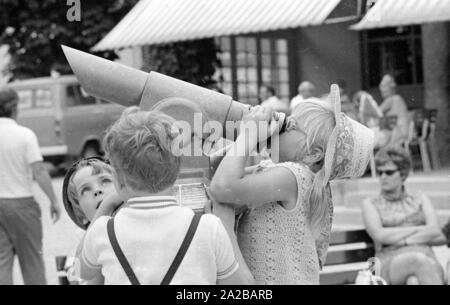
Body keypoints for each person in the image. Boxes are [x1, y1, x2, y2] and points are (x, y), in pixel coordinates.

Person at [210, 85, 374, 284]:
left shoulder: (294, 176)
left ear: (313, 153)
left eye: (290, 125)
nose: (280, 126)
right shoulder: (302, 180)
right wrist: (251, 138)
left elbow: (222, 188)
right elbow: (218, 175)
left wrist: (249, 135)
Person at [78, 107, 254, 285]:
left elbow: (80, 271)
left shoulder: (102, 231)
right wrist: (226, 226)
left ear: (118, 180)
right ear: (177, 171)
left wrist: (107, 204)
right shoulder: (208, 228)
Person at [0, 87, 61, 285]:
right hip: (21, 204)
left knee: (2, 263)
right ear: (15, 107)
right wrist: (54, 200)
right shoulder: (25, 135)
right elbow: (39, 171)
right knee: (32, 262)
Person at [361, 147, 445, 285]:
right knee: (418, 261)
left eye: (389, 172)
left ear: (403, 174)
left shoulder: (420, 198)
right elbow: (380, 235)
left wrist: (400, 239)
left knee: (414, 281)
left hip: (426, 258)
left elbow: (435, 230)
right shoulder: (370, 204)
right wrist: (418, 229)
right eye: (380, 172)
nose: (383, 177)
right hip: (390, 261)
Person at [378, 75, 410, 148]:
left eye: (384, 87)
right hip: (402, 132)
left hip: (398, 133)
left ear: (390, 88)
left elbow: (376, 112)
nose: (382, 91)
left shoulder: (392, 99)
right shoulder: (398, 98)